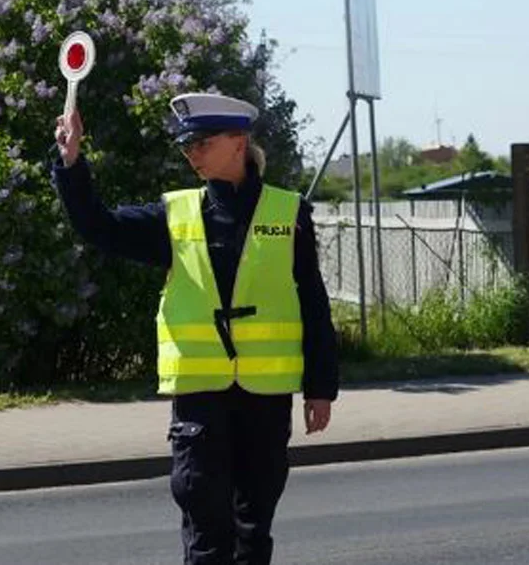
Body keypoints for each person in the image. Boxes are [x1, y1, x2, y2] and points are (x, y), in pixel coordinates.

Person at [52, 92, 339, 565]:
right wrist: (71, 162)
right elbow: (98, 227)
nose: (192, 153)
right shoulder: (177, 214)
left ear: (239, 142)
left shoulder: (289, 215)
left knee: (254, 529)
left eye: (202, 142)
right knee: (207, 530)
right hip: (200, 402)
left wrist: (321, 387)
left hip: (265, 398)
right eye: (187, 145)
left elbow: (313, 303)